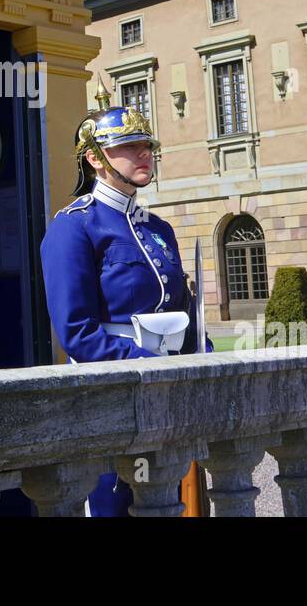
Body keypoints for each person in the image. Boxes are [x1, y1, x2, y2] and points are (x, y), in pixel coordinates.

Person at [39, 106, 209, 516]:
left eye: (146, 145)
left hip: (169, 393)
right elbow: (77, 333)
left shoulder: (159, 228)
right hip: (109, 396)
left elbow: (180, 310)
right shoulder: (73, 226)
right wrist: (148, 364)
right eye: (129, 146)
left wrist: (199, 351)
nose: (144, 153)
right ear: (95, 158)